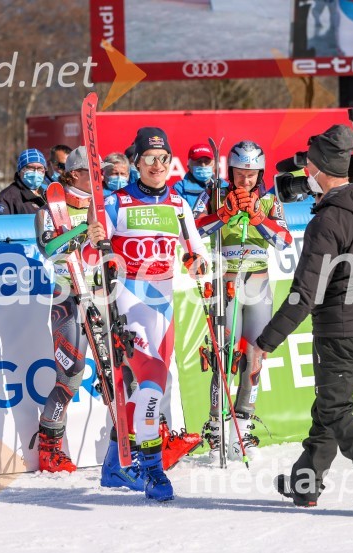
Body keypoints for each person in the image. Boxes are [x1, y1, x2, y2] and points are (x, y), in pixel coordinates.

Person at [251, 124, 353, 516]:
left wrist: (265, 343)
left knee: (336, 411)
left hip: (341, 329)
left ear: (321, 169)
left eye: (310, 166)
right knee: (330, 405)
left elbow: (304, 294)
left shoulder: (328, 221)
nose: (305, 172)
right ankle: (305, 484)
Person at [85, 127, 208, 502]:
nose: (158, 165)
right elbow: (90, 258)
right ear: (136, 162)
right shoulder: (116, 203)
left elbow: (197, 255)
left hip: (164, 307)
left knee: (150, 386)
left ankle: (114, 465)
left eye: (163, 158)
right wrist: (93, 237)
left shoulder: (179, 205)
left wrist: (196, 262)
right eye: (150, 158)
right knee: (152, 382)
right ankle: (153, 470)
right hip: (128, 303)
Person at [194, 140, 292, 461]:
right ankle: (216, 426)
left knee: (256, 355)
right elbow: (194, 232)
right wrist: (223, 214)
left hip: (258, 282)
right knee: (224, 355)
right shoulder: (212, 195)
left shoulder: (270, 200)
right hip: (226, 281)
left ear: (260, 174)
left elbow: (284, 241)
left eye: (251, 174)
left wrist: (259, 218)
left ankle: (244, 425)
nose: (245, 180)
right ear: (230, 171)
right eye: (239, 173)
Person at [32, 146, 108, 473]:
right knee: (70, 377)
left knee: (118, 372)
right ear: (75, 173)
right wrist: (82, 230)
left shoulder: (104, 207)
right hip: (67, 296)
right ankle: (50, 448)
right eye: (94, 173)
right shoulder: (49, 210)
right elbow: (49, 248)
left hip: (102, 296)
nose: (100, 179)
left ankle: (132, 444)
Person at [0, 149, 47, 215]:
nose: (36, 173)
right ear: (20, 171)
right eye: (30, 168)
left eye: (40, 168)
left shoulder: (47, 193)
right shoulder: (8, 197)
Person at [173, 143, 221, 212]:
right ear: (189, 166)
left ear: (214, 165)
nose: (203, 165)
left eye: (207, 161)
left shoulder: (224, 186)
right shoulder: (179, 189)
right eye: (199, 161)